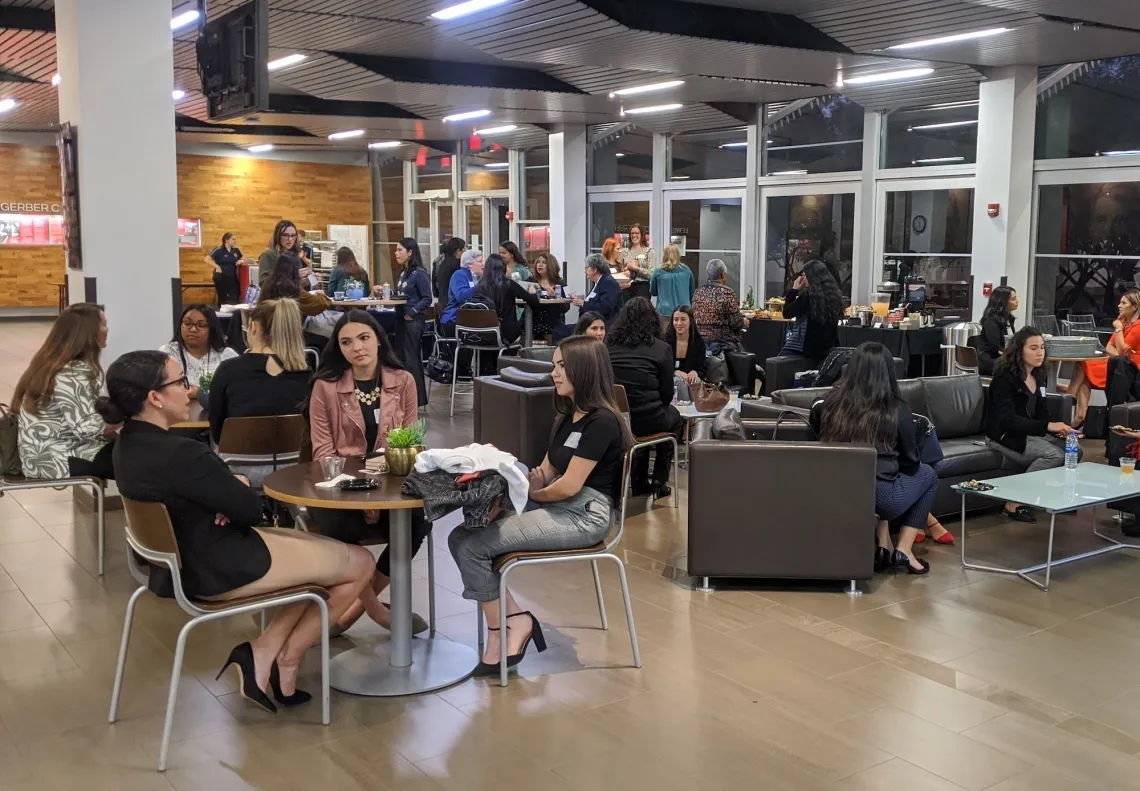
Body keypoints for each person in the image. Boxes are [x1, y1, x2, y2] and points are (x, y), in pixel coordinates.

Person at [104, 350, 379, 712]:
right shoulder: (184, 455)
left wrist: (224, 494)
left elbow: (214, 501)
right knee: (358, 562)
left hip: (173, 565)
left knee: (316, 569)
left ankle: (262, 654)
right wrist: (238, 484)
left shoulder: (125, 447)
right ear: (155, 397)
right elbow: (251, 509)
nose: (188, 391)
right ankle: (286, 658)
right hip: (220, 566)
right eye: (180, 382)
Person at [448, 335, 631, 676]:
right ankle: (514, 618)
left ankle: (506, 628)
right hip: (560, 505)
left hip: (586, 515)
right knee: (461, 536)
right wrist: (527, 485)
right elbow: (545, 472)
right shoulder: (568, 417)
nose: (554, 373)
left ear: (584, 370)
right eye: (555, 365)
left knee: (472, 546)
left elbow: (567, 487)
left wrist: (535, 492)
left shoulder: (602, 421)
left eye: (562, 366)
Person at [307, 310, 433, 634]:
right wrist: (359, 492)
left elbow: (409, 443)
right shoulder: (325, 387)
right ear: (339, 348)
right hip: (339, 485)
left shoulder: (403, 381)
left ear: (378, 338)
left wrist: (377, 489)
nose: (357, 348)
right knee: (340, 525)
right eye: (346, 342)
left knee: (419, 520)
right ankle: (378, 612)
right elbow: (323, 452)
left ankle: (348, 613)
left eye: (363, 338)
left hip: (390, 481)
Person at [810, 342, 937, 575]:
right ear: (889, 371)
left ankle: (883, 545)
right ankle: (905, 550)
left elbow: (818, 434)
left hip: (833, 489)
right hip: (882, 498)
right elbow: (911, 463)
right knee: (927, 475)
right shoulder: (898, 409)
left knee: (875, 476)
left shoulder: (828, 404)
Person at [984, 327, 1079, 523]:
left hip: (1030, 432)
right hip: (1004, 435)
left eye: (1042, 348)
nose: (1040, 353)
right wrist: (1047, 427)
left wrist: (1061, 430)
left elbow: (1042, 412)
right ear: (1019, 351)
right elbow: (1007, 420)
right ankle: (1013, 502)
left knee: (1074, 449)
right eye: (1034, 348)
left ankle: (1055, 496)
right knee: (1054, 455)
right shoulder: (1004, 378)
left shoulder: (1040, 375)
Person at [13, 303, 116, 480]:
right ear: (88, 333)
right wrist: (133, 413)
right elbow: (88, 428)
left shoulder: (54, 364)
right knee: (143, 460)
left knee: (142, 453)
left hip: (47, 451)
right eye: (103, 324)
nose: (107, 329)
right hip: (55, 456)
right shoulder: (71, 373)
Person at [207, 298, 311, 447]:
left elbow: (217, 432)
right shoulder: (306, 374)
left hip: (239, 465)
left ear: (253, 327)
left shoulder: (228, 370)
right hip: (296, 464)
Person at [607, 297, 683, 499]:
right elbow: (667, 395)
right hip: (649, 419)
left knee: (636, 422)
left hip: (617, 421)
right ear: (653, 320)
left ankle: (638, 481)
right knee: (673, 419)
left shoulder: (608, 347)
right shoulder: (661, 349)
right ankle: (660, 480)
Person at [1066, 290, 1140, 426]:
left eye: (1124, 303)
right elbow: (1109, 347)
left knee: (1085, 367)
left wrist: (1118, 329)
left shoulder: (1137, 326)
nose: (1119, 306)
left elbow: (1122, 353)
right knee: (1084, 363)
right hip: (1117, 362)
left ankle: (1071, 404)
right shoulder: (1124, 322)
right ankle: (1079, 413)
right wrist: (1118, 350)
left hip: (1131, 368)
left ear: (1134, 307)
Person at [159, 304, 238, 399]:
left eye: (201, 325)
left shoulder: (227, 355)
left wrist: (196, 392)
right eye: (187, 323)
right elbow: (163, 389)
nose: (193, 329)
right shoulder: (168, 353)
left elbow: (236, 389)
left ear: (212, 329)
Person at [260, 251, 334, 347]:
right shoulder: (293, 289)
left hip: (269, 333)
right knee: (328, 341)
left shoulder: (269, 283)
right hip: (289, 336)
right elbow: (319, 304)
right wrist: (321, 295)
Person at [391, 238, 433, 408]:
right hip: (401, 319)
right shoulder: (403, 273)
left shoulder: (419, 273)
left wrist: (412, 312)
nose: (396, 253)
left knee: (412, 360)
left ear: (410, 253)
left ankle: (416, 399)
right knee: (402, 359)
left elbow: (427, 298)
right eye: (396, 250)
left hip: (413, 321)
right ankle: (405, 397)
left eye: (400, 250)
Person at [779, 259, 844, 364]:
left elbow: (787, 313)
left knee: (774, 368)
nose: (802, 278)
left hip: (802, 348)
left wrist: (794, 290)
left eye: (804, 275)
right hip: (828, 348)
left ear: (811, 276)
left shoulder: (808, 297)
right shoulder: (834, 297)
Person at [473, 253, 540, 347]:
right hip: (506, 333)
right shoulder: (509, 284)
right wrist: (532, 292)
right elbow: (534, 302)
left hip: (484, 333)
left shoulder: (480, 286)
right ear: (503, 268)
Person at [692, 258, 748, 354]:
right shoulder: (727, 292)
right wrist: (744, 322)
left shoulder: (697, 292)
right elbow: (736, 322)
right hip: (723, 343)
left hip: (700, 341)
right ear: (723, 275)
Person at [650, 244, 695, 334]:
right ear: (678, 255)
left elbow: (653, 292)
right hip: (684, 311)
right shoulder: (686, 270)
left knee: (665, 339)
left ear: (664, 255)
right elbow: (692, 291)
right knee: (683, 339)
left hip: (664, 312)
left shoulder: (658, 272)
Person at [258, 220, 315, 291]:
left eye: (293, 235)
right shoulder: (268, 255)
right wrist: (291, 275)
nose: (290, 239)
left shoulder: (294, 256)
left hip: (293, 299)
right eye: (285, 235)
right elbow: (263, 283)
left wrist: (310, 279)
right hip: (274, 300)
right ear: (278, 236)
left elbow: (296, 285)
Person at [667, 306, 706, 402]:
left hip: (689, 377)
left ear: (690, 322)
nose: (679, 323)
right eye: (676, 320)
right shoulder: (665, 341)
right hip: (671, 377)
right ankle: (683, 413)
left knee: (695, 381)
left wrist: (695, 372)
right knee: (681, 383)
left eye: (683, 319)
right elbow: (661, 367)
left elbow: (702, 368)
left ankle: (696, 413)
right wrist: (674, 372)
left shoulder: (698, 342)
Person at [441, 249, 485, 334]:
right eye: (480, 261)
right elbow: (461, 297)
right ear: (469, 264)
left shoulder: (478, 278)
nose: (483, 264)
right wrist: (481, 285)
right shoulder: (459, 275)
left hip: (472, 319)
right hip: (454, 319)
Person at [570, 254, 622, 325]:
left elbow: (604, 308)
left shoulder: (608, 282)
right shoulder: (598, 282)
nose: (585, 271)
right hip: (591, 323)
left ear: (594, 270)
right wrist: (579, 302)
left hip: (603, 326)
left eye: (586, 268)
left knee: (559, 332)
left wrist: (583, 303)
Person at [977, 286, 1018, 376]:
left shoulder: (1009, 319)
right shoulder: (991, 321)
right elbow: (996, 348)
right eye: (1014, 299)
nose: (1017, 301)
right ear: (1003, 302)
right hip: (990, 361)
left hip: (1002, 359)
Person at [531, 252, 570, 341]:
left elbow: (566, 308)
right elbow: (520, 303)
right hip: (533, 321)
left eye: (544, 262)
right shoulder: (531, 281)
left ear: (551, 265)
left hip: (553, 322)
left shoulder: (561, 283)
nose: (540, 265)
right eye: (538, 262)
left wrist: (555, 296)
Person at [620, 222, 656, 302]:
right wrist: (626, 271)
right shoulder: (624, 252)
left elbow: (651, 274)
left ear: (642, 235)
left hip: (642, 287)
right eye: (632, 233)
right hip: (626, 287)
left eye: (637, 233)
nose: (634, 235)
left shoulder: (649, 252)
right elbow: (620, 270)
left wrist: (636, 269)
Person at [206, 232, 243, 306]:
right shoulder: (218, 250)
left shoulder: (236, 250)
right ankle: (221, 313)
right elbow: (207, 259)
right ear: (226, 240)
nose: (235, 241)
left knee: (234, 296)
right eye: (233, 239)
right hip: (221, 276)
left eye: (235, 239)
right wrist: (217, 267)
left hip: (232, 276)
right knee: (223, 298)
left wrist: (241, 261)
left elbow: (243, 258)